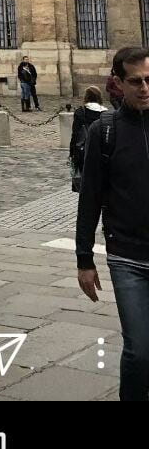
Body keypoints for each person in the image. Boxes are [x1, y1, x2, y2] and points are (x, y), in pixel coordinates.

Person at [76, 46, 149, 401]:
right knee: (140, 349)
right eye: (136, 81)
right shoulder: (105, 132)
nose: (145, 87)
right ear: (119, 84)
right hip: (127, 259)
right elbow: (89, 198)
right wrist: (84, 260)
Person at [69, 86, 107, 191]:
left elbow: (75, 135)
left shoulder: (80, 112)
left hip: (83, 151)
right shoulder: (107, 114)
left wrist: (72, 154)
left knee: (85, 184)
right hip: (101, 152)